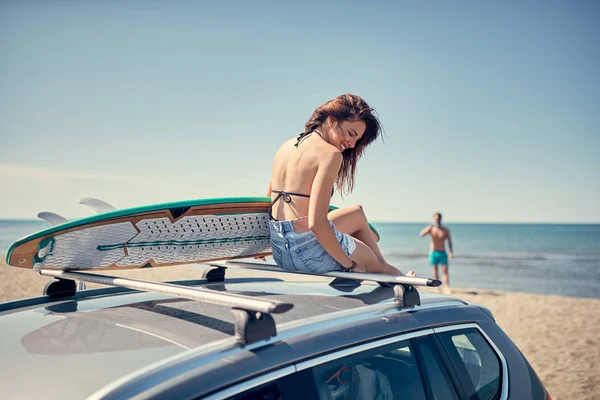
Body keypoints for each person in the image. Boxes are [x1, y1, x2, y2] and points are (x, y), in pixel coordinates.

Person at [265, 94, 414, 277]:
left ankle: (391, 273)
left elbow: (268, 203)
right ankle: (401, 280)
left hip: (281, 253)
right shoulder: (330, 154)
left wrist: (262, 247)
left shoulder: (286, 146)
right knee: (377, 265)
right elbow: (316, 223)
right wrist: (349, 265)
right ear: (332, 120)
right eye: (351, 134)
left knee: (356, 213)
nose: (351, 144)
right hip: (308, 255)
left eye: (356, 140)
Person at [420, 212, 454, 294]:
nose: (437, 220)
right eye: (435, 219)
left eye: (438, 219)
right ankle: (438, 288)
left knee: (445, 271)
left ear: (441, 219)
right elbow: (421, 234)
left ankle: (447, 287)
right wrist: (430, 226)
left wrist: (451, 252)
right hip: (433, 252)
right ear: (433, 219)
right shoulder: (431, 229)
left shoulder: (445, 230)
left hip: (442, 252)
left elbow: (449, 241)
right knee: (435, 271)